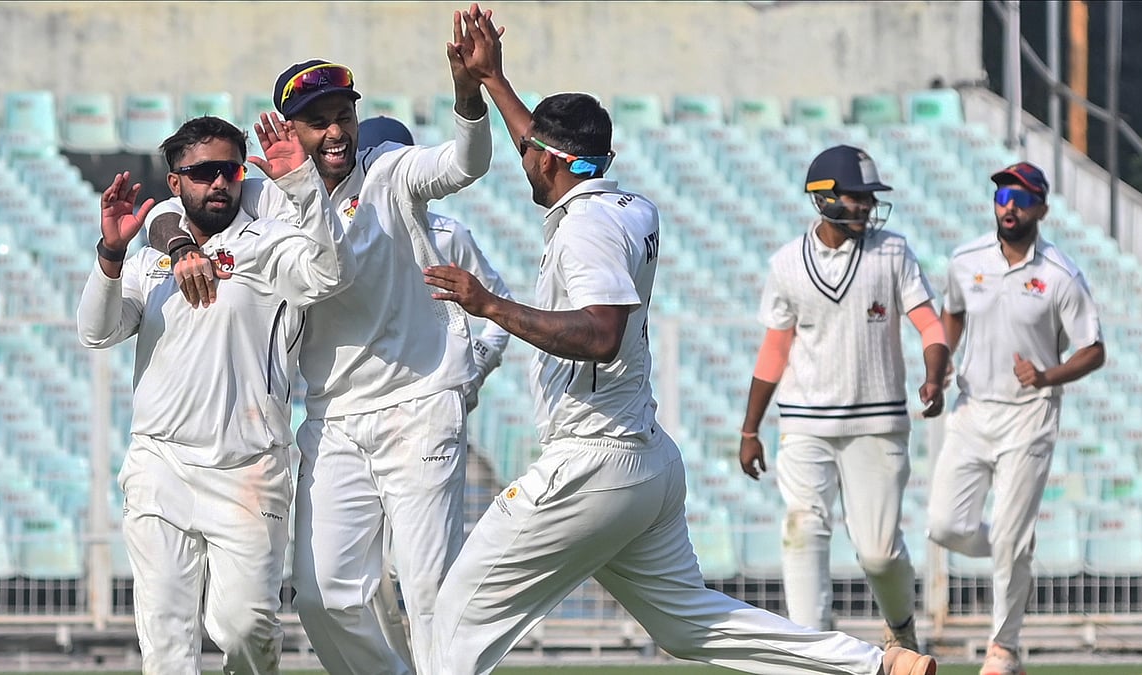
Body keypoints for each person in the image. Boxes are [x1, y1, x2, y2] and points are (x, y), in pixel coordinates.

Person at [422, 7, 937, 674]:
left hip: (590, 460)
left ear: (550, 162)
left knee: (453, 611)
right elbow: (542, 146)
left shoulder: (584, 230)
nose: (521, 154)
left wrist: (488, 302)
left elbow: (603, 333)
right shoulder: (629, 204)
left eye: (529, 152)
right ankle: (876, 664)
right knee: (692, 625)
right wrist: (494, 80)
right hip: (648, 464)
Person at [144, 17, 499, 674]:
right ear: (289, 132)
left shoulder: (390, 171)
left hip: (418, 401)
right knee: (322, 597)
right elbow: (166, 208)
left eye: (343, 115)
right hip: (333, 416)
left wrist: (469, 92)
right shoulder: (264, 193)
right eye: (318, 121)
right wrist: (180, 243)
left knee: (425, 590)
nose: (336, 131)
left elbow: (464, 164)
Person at [76, 115, 354, 674]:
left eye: (228, 169)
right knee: (167, 644)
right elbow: (97, 331)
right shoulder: (152, 254)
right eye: (203, 172)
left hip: (249, 469)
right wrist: (109, 254)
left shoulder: (267, 241)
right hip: (162, 464)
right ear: (177, 182)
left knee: (244, 627)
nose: (220, 182)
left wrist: (300, 183)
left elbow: (328, 275)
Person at [737, 144, 949, 650]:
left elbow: (930, 324)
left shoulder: (892, 252)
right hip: (805, 423)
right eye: (856, 197)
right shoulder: (786, 263)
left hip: (877, 424)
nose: (866, 208)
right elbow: (773, 352)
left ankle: (901, 630)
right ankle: (814, 652)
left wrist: (935, 375)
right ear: (823, 197)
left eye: (869, 199)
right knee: (802, 529)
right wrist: (750, 429)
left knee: (878, 553)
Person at [926, 162, 1104, 675]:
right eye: (1003, 194)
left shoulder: (1060, 275)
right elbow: (952, 314)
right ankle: (1014, 550)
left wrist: (1047, 376)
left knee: (1010, 535)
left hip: (1031, 414)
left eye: (1022, 198)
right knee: (945, 526)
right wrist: (936, 375)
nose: (1009, 205)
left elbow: (1094, 350)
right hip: (972, 409)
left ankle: (1002, 649)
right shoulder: (965, 260)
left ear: (1041, 210)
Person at [357, 114, 514, 413]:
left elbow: (499, 303)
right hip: (365, 399)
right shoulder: (342, 237)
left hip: (432, 395)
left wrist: (478, 364)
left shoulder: (448, 235)